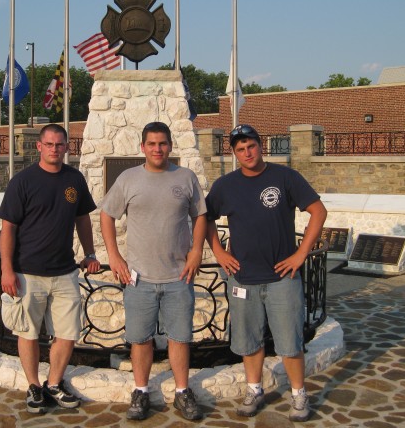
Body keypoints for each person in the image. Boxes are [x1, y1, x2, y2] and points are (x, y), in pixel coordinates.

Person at [205, 124, 327, 422]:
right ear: (234, 153)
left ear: (261, 146)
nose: (247, 153)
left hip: (282, 279)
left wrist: (301, 254)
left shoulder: (285, 177)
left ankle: (299, 395)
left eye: (251, 146)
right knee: (249, 340)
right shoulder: (225, 185)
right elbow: (205, 218)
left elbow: (318, 211)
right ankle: (254, 389)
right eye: (240, 149)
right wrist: (219, 252)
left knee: (290, 341)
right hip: (243, 278)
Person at [100, 121, 207, 421]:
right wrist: (114, 256)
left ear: (170, 145)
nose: (157, 149)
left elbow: (200, 215)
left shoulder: (185, 177)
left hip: (178, 277)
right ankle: (141, 391)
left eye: (162, 143)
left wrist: (197, 250)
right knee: (140, 339)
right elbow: (107, 216)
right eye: (151, 144)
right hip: (139, 279)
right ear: (142, 147)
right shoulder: (128, 179)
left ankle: (182, 392)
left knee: (180, 338)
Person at [0, 123, 100, 415]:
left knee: (67, 333)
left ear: (67, 147)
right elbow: (8, 229)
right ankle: (33, 386)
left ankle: (54, 383)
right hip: (27, 273)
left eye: (60, 145)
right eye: (50, 144)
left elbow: (82, 220)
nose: (55, 149)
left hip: (65, 272)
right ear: (39, 147)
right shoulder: (23, 181)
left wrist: (90, 252)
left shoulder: (74, 179)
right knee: (27, 333)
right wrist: (7, 270)